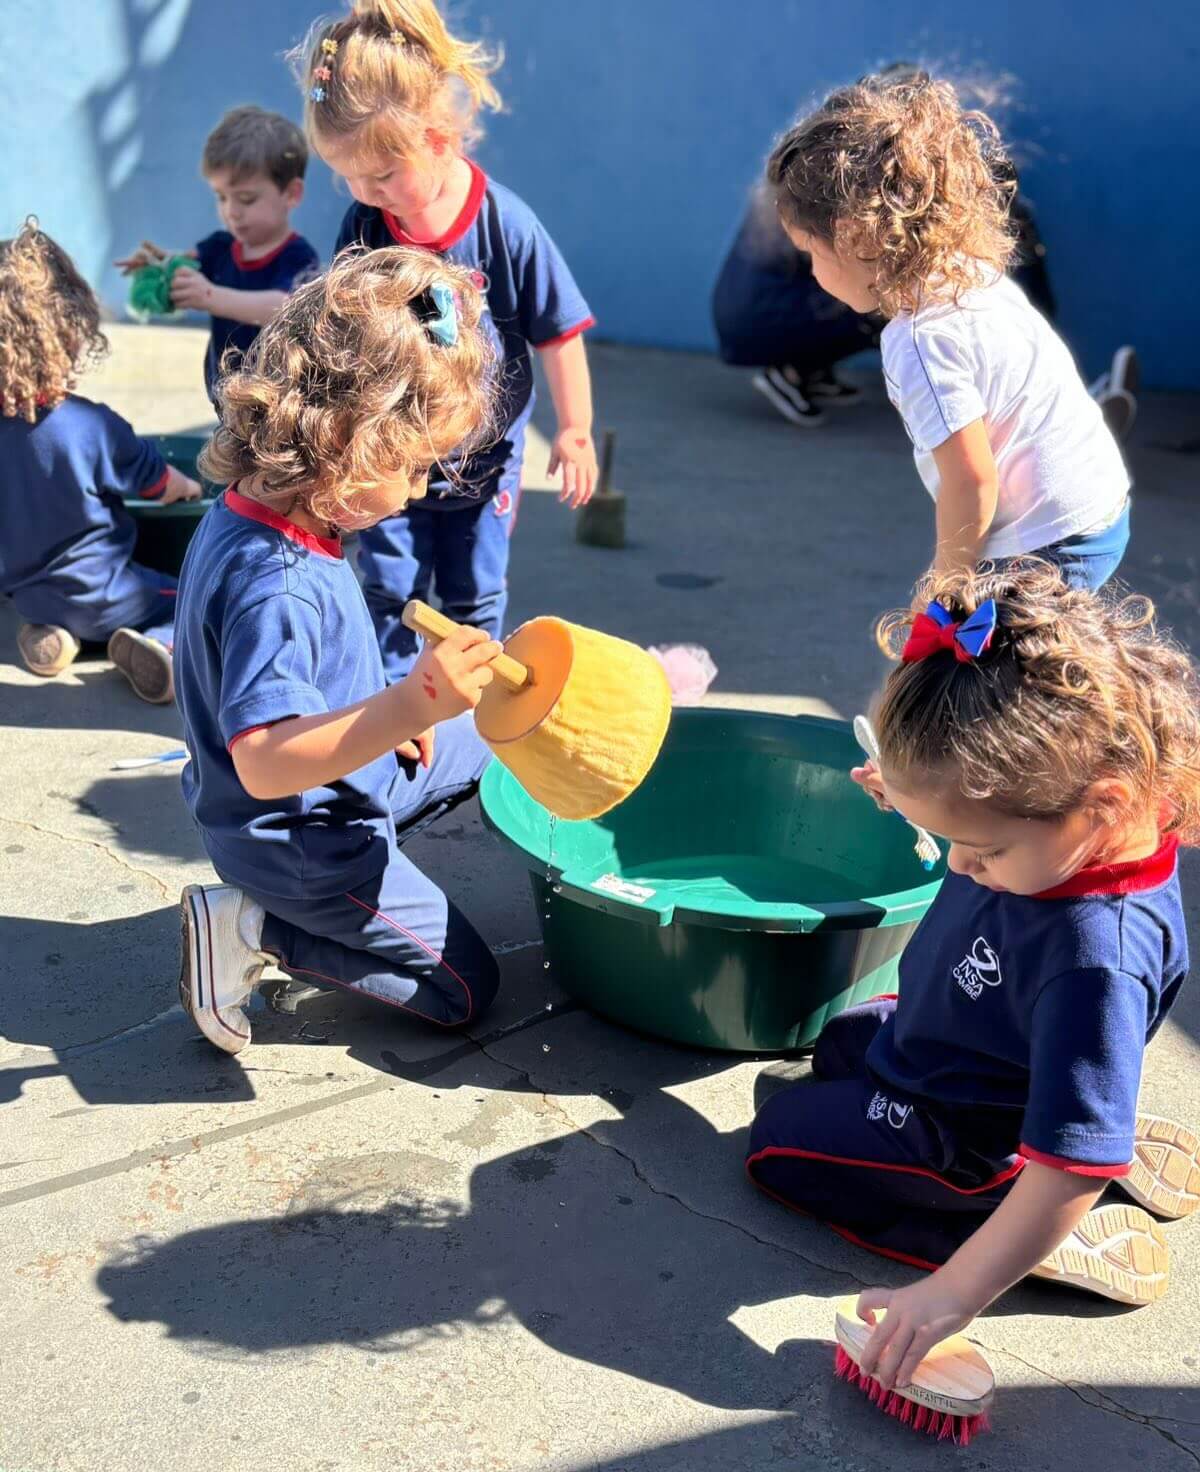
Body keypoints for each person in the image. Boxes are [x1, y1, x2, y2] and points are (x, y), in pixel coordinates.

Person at [748, 562, 1199, 1393]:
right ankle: (1092, 1119)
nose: (959, 865)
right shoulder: (1070, 819)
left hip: (960, 1134)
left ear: (1101, 804)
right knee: (836, 1045)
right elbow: (987, 818)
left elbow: (1071, 1165)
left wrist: (952, 1293)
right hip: (950, 1044)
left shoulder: (1097, 960)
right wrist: (921, 796)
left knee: (775, 1144)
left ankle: (1022, 1226)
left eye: (983, 850)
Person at [172, 246, 504, 1056]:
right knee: (465, 989)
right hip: (302, 845)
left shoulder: (272, 512)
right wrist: (409, 705)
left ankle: (308, 903)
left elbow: (313, 672)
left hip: (333, 791)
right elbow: (265, 762)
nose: (419, 490)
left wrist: (397, 710)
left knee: (496, 738)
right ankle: (254, 929)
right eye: (414, 465)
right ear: (351, 439)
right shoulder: (276, 584)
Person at [298, 0, 597, 681]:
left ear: (438, 139)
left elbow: (559, 332)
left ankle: (468, 703)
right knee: (387, 585)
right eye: (348, 176)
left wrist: (576, 429)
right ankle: (388, 700)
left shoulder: (505, 226)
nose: (364, 192)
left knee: (473, 592)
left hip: (484, 459)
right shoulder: (366, 225)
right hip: (391, 449)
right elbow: (342, 327)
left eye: (381, 176)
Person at [767, 74, 1132, 588]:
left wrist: (946, 588)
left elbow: (971, 482)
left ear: (852, 238)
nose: (811, 271)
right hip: (1100, 511)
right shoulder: (971, 271)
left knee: (961, 640)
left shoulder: (919, 340)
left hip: (1045, 549)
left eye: (810, 251)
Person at [0, 220, 200, 701]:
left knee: (57, 608)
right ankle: (161, 646)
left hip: (26, 593)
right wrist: (189, 487)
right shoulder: (92, 427)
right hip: (108, 593)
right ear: (71, 331)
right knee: (196, 601)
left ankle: (53, 637)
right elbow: (158, 484)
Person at [116, 106, 320, 406]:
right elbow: (185, 270)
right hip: (225, 397)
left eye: (247, 199)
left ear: (291, 194)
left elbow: (283, 306)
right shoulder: (218, 247)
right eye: (222, 197)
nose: (231, 212)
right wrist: (160, 267)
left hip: (279, 403)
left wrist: (210, 296)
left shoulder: (298, 257)